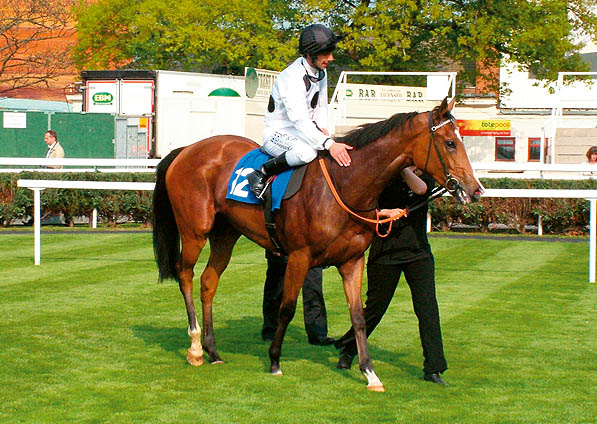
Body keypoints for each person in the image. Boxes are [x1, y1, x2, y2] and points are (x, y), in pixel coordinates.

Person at [334, 167, 449, 385]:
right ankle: (349, 348)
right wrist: (384, 214)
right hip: (386, 253)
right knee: (375, 310)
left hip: (418, 253)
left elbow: (421, 190)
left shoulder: (425, 175)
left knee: (428, 310)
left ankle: (433, 368)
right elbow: (363, 212)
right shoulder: (382, 178)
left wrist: (404, 169)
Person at [247, 24, 353, 199]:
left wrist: (324, 130)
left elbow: (321, 107)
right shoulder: (291, 78)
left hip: (300, 132)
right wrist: (328, 143)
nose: (331, 58)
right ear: (310, 55)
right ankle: (261, 172)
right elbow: (299, 120)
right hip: (277, 134)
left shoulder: (321, 73)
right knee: (307, 153)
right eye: (326, 54)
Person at [262, 250, 334, 345]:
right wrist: (273, 246)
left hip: (311, 251)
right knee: (276, 291)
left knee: (313, 290)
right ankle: (271, 331)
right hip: (283, 248)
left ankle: (317, 334)